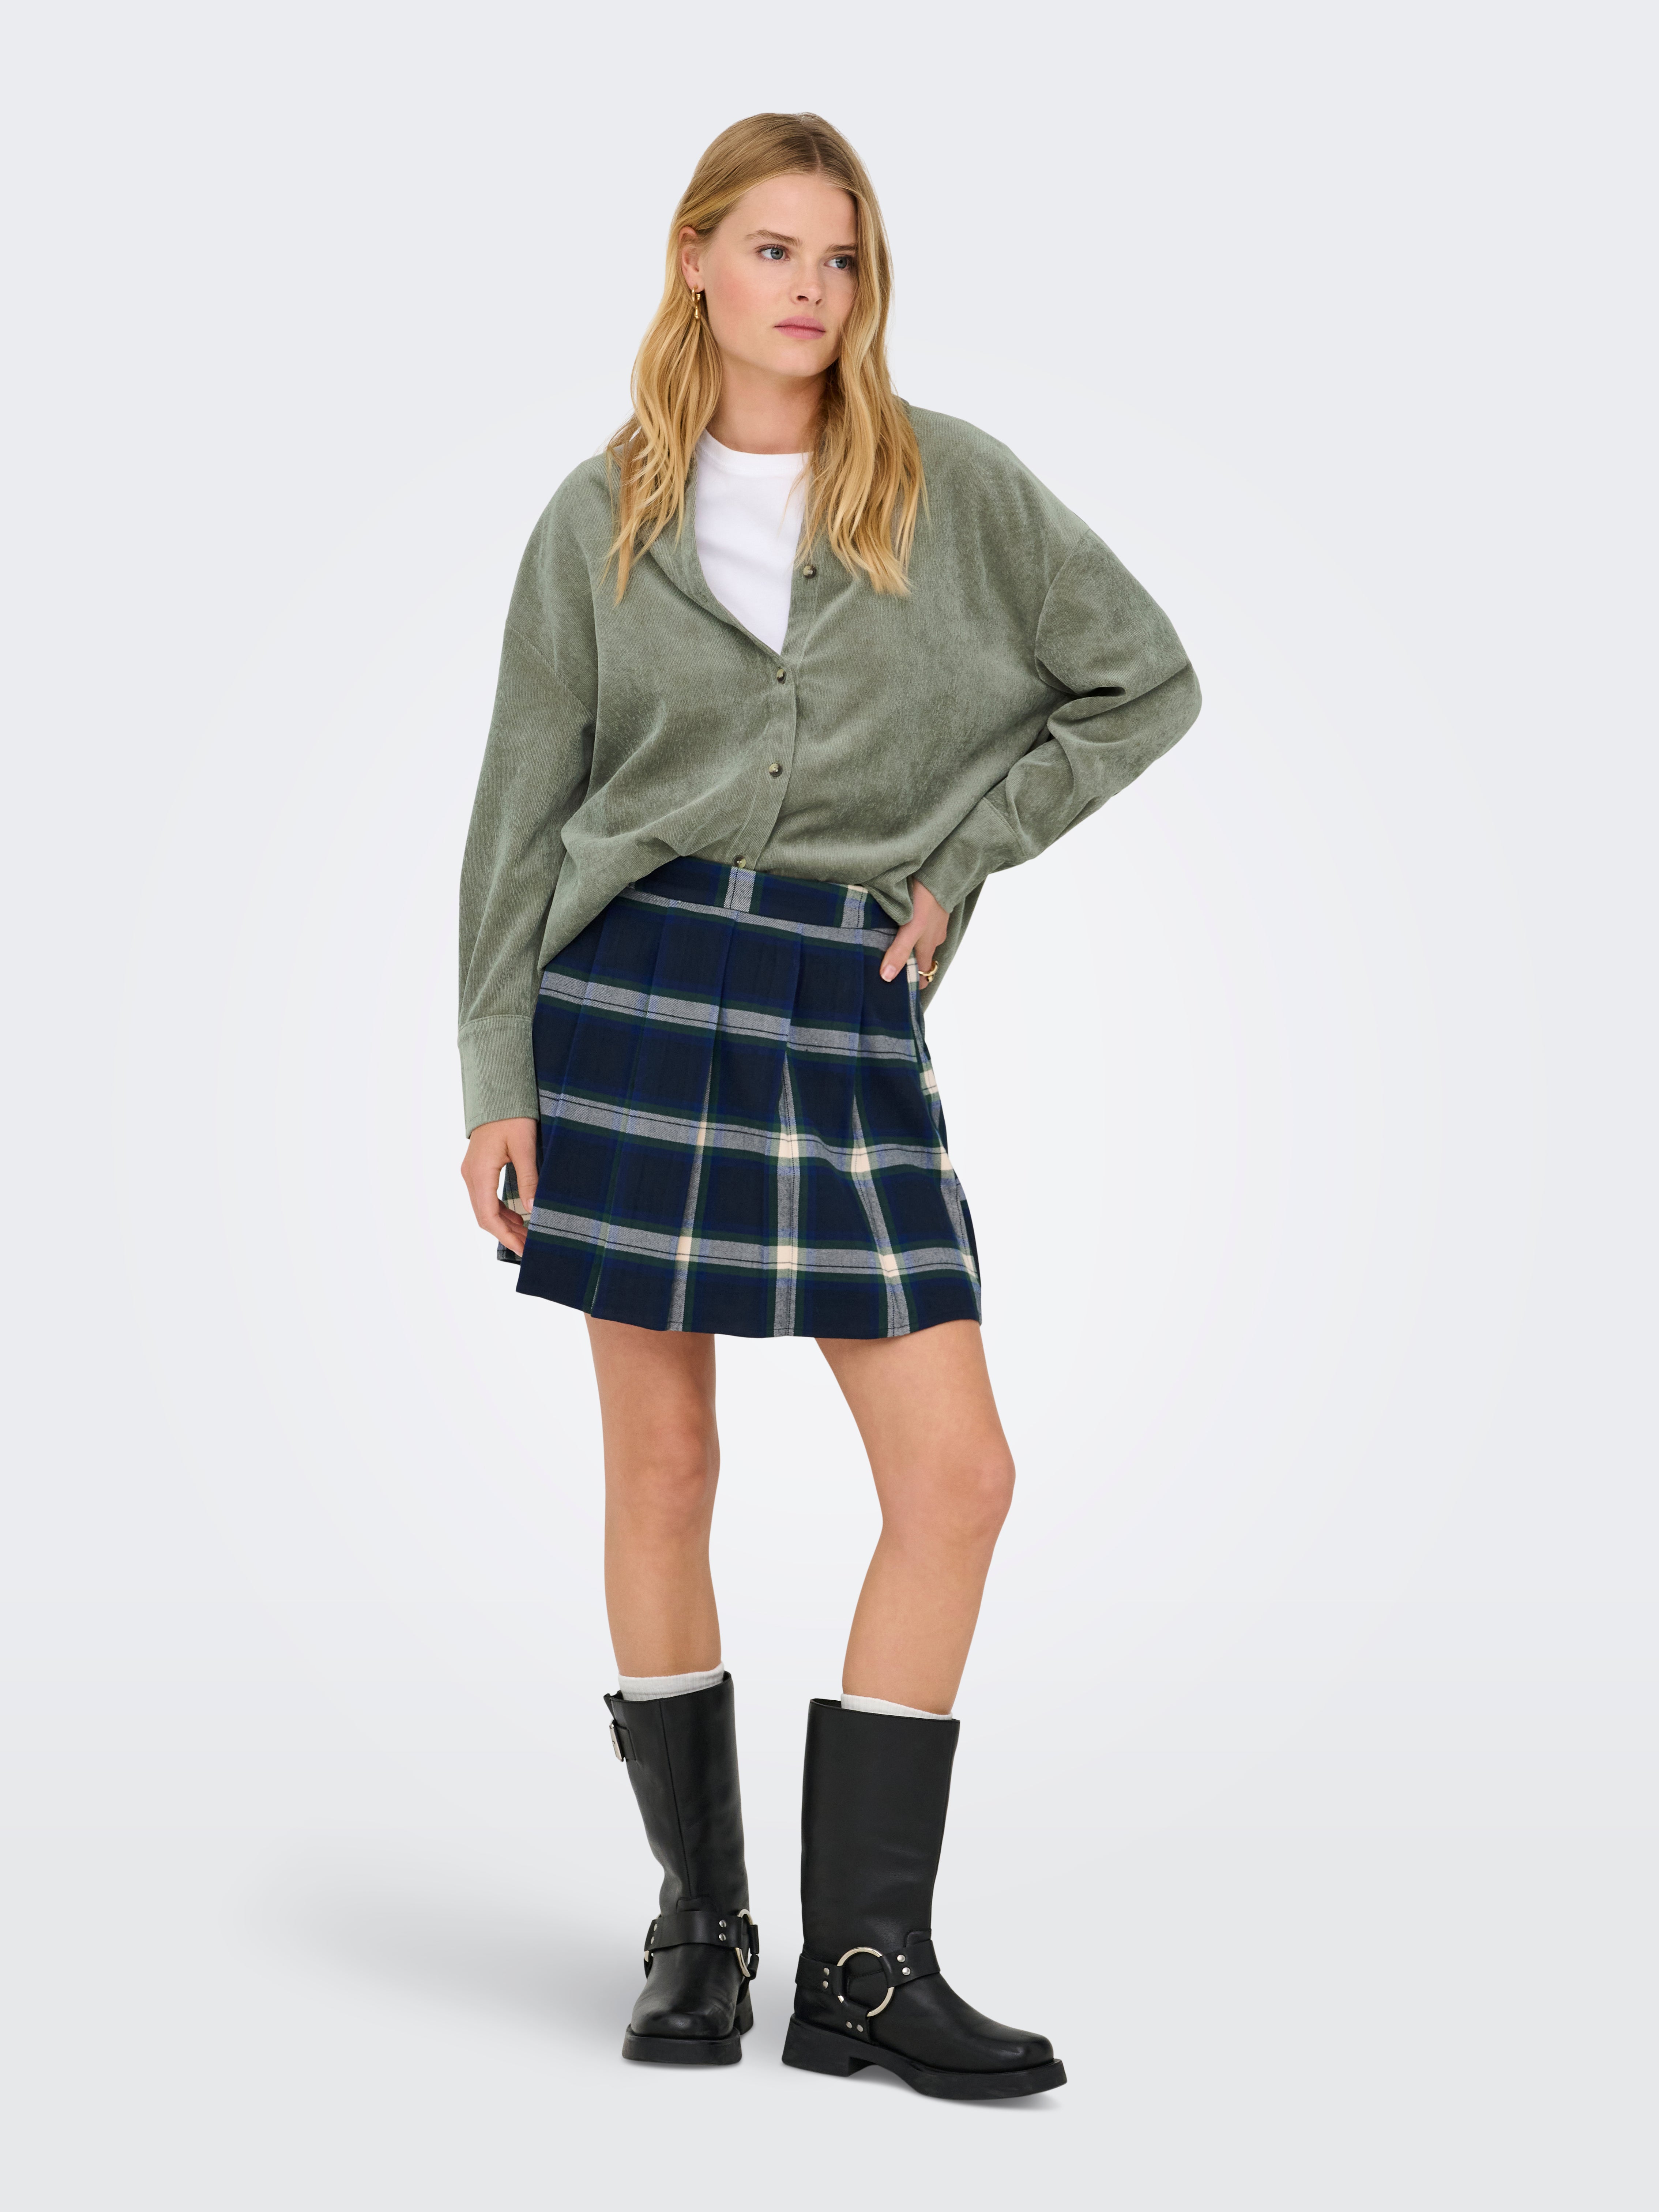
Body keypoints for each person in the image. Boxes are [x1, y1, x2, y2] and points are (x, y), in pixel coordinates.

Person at [458, 112, 1200, 2101]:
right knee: (662, 1464)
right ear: (696, 261)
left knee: (957, 1476)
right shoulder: (597, 515)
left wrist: (959, 863)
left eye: (842, 257)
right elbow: (520, 807)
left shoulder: (952, 489)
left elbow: (1140, 682)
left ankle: (865, 1967)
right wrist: (495, 1073)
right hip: (626, 996)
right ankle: (701, 1929)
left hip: (832, 1001)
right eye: (775, 248)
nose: (810, 288)